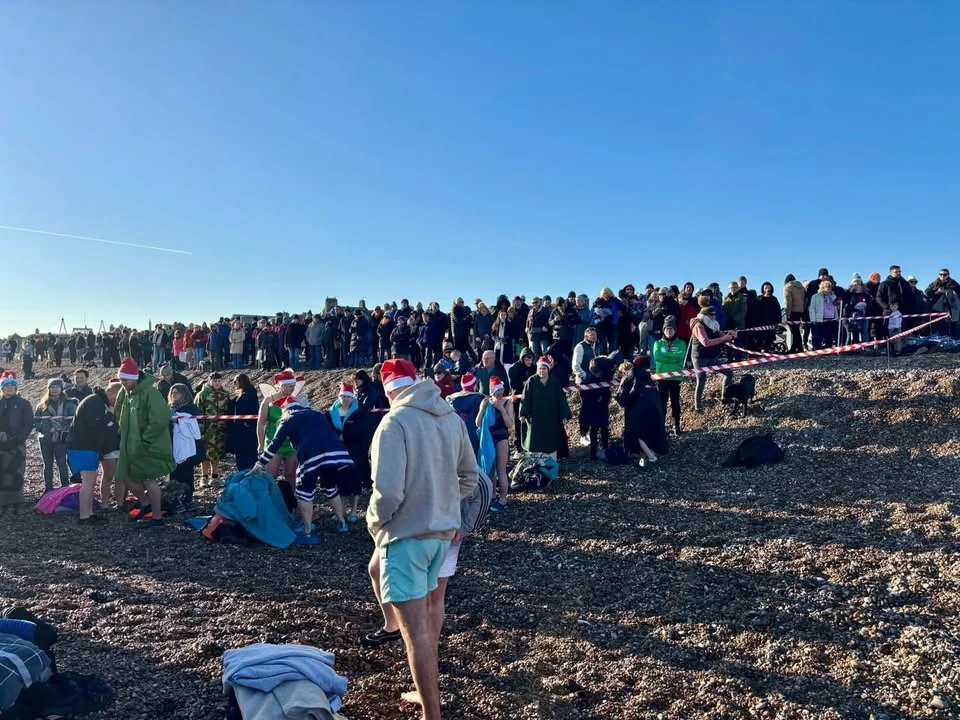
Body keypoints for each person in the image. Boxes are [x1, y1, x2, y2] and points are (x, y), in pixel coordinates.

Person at [365, 358, 479, 719]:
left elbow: (387, 493)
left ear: (388, 391)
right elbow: (470, 477)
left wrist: (374, 523)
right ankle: (425, 693)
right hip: (440, 536)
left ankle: (432, 712)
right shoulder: (449, 417)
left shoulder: (393, 423)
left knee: (414, 632)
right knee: (427, 623)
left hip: (406, 537)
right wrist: (442, 506)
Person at [254, 391, 355, 535]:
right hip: (336, 454)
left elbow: (275, 444)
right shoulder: (317, 414)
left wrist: (260, 463)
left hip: (311, 456)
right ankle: (342, 523)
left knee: (304, 493)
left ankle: (307, 529)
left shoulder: (287, 418)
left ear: (284, 409)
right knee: (331, 488)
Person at [114, 357, 175, 528]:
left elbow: (161, 418)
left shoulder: (150, 393)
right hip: (129, 444)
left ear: (133, 378)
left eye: (124, 380)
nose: (122, 383)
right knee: (124, 475)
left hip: (147, 445)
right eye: (121, 380)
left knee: (148, 479)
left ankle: (157, 518)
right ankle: (145, 502)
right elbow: (120, 413)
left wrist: (145, 440)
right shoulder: (127, 393)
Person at [68, 379, 123, 521]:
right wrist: (110, 416)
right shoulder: (96, 402)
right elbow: (94, 424)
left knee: (91, 480)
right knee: (88, 480)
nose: (116, 402)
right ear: (110, 392)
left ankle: (89, 513)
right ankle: (84, 515)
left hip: (89, 446)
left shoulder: (98, 401)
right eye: (117, 398)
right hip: (83, 446)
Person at [327, 382, 375, 520]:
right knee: (340, 480)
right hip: (338, 450)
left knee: (355, 480)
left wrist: (348, 435)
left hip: (356, 450)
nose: (345, 399)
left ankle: (354, 510)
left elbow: (366, 431)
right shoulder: (331, 413)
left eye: (348, 397)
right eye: (342, 396)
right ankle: (341, 509)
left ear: (352, 397)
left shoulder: (360, 412)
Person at [616, 357, 667, 468]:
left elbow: (624, 397)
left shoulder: (630, 377)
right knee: (650, 431)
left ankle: (651, 457)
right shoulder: (650, 377)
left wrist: (618, 398)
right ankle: (649, 451)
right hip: (655, 409)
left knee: (637, 434)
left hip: (638, 410)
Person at [256, 369, 303, 490]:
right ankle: (270, 500)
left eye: (293, 386)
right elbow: (261, 424)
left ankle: (293, 499)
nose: (291, 389)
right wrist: (260, 444)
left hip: (291, 443)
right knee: (271, 475)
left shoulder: (295, 401)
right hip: (273, 441)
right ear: (280, 386)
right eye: (288, 386)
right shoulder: (268, 401)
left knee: (291, 474)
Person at [689, 296, 736, 413]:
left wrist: (731, 336)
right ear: (706, 315)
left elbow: (720, 335)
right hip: (700, 357)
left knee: (729, 373)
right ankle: (698, 407)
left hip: (712, 356)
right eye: (712, 314)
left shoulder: (713, 325)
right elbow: (705, 342)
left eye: (715, 314)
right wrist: (724, 338)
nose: (714, 316)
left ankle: (724, 397)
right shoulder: (698, 325)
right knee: (701, 380)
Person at [519, 357, 572, 458]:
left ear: (548, 369)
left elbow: (561, 399)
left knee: (551, 442)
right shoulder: (531, 381)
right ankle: (534, 465)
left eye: (544, 368)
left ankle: (551, 464)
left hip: (551, 418)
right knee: (534, 441)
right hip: (535, 418)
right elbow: (525, 398)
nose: (541, 371)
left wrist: (564, 415)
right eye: (540, 369)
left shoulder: (554, 381)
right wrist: (523, 414)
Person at [476, 376, 514, 511]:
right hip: (488, 439)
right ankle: (492, 497)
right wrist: (481, 409)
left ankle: (503, 499)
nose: (500, 392)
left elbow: (510, 424)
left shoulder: (507, 403)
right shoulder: (486, 403)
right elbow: (478, 424)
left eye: (501, 389)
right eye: (497, 390)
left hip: (501, 439)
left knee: (501, 470)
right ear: (492, 391)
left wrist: (502, 410)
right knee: (490, 471)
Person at [33, 378, 77, 493]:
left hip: (62, 439)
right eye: (52, 387)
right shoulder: (42, 405)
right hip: (45, 439)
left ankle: (65, 488)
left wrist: (63, 430)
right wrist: (44, 428)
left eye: (57, 387)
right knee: (47, 465)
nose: (54, 389)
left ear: (61, 388)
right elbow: (36, 421)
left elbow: (74, 420)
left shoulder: (69, 403)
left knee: (62, 464)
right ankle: (48, 489)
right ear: (48, 389)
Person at [0, 372, 34, 513]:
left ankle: (17, 503)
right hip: (1, 444)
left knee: (17, 471)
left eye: (12, 386)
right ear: (2, 388)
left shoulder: (23, 404)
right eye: (6, 386)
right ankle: (2, 503)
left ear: (16, 388)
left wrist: (17, 439)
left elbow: (28, 424)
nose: (9, 388)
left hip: (17, 444)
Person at [167, 383, 202, 509]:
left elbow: (196, 424)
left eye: (177, 392)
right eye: (172, 392)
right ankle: (173, 496)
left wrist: (181, 420)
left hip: (187, 446)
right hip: (173, 445)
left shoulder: (191, 408)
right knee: (174, 471)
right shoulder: (169, 408)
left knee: (186, 471)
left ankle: (187, 496)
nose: (174, 394)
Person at [195, 372, 231, 487]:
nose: (217, 383)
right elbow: (197, 414)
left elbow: (228, 412)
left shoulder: (225, 394)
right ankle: (204, 477)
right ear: (209, 381)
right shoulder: (202, 394)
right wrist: (199, 431)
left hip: (220, 430)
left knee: (217, 454)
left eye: (219, 381)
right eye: (214, 381)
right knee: (205, 455)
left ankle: (215, 477)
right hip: (206, 430)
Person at [652, 316, 687, 436]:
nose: (669, 331)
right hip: (662, 378)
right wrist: (673, 357)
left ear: (675, 330)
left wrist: (666, 356)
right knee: (662, 403)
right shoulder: (657, 343)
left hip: (675, 378)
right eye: (667, 329)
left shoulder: (681, 343)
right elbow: (657, 357)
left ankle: (676, 426)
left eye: (671, 329)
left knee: (675, 403)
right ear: (663, 330)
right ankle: (661, 427)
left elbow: (681, 356)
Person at [579, 356, 613, 461]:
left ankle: (600, 450)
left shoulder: (598, 373)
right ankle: (596, 452)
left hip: (599, 405)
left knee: (601, 428)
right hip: (594, 406)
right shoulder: (592, 377)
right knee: (597, 429)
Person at [572, 327, 600, 447]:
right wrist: (585, 376)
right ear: (586, 335)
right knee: (585, 409)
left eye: (595, 334)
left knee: (594, 408)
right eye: (592, 334)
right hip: (584, 383)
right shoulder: (580, 347)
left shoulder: (597, 346)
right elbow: (575, 366)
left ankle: (592, 432)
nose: (594, 336)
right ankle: (583, 435)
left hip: (596, 383)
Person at [447, 373, 485, 459]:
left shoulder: (451, 399)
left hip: (455, 434)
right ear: (474, 385)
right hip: (473, 434)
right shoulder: (478, 399)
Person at [227, 373, 260, 471]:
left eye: (235, 382)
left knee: (244, 458)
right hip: (248, 430)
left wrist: (246, 423)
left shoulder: (245, 396)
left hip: (243, 432)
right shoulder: (250, 393)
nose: (234, 384)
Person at [926, 268, 960, 338]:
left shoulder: (953, 283)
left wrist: (947, 291)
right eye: (940, 274)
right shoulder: (934, 283)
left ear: (948, 275)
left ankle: (952, 340)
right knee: (937, 325)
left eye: (944, 275)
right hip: (937, 308)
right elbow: (927, 292)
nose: (942, 276)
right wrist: (936, 292)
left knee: (952, 325)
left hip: (950, 308)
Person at [808, 279, 840, 349]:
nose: (829, 287)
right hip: (820, 320)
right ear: (822, 287)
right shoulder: (816, 296)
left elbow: (836, 308)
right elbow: (812, 308)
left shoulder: (833, 296)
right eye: (827, 286)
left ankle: (828, 351)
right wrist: (813, 320)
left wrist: (836, 317)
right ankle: (816, 351)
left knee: (829, 337)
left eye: (830, 286)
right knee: (818, 337)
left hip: (831, 320)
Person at [755, 282, 782, 351]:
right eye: (765, 288)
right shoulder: (758, 299)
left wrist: (778, 322)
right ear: (763, 289)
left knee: (769, 342)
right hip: (760, 325)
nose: (767, 289)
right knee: (759, 342)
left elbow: (778, 311)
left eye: (768, 288)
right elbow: (754, 311)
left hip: (771, 324)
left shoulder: (774, 299)